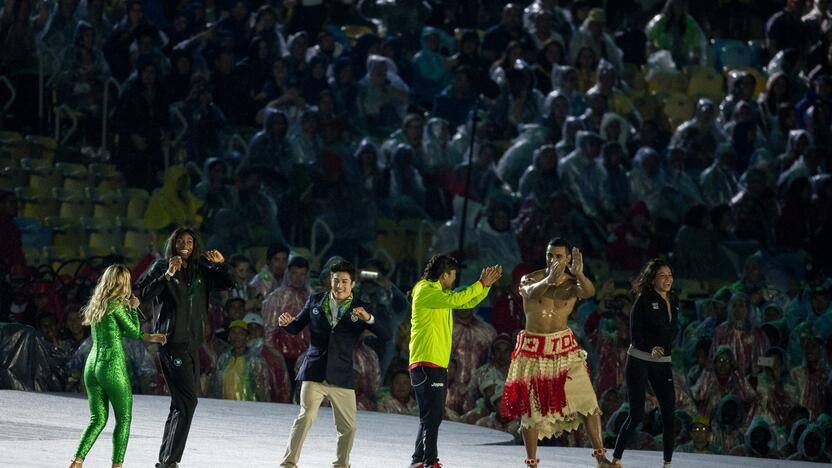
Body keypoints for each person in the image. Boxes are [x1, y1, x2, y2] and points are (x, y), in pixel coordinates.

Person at [501, 238, 615, 468]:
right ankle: (532, 462)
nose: (553, 260)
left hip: (564, 348)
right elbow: (529, 292)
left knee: (588, 402)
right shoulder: (532, 278)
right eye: (550, 255)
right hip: (534, 350)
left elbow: (589, 293)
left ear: (568, 259)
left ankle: (601, 457)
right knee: (531, 411)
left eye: (559, 256)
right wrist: (549, 279)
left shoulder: (573, 284)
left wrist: (580, 274)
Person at [136, 227, 234, 468]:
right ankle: (169, 461)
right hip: (171, 343)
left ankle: (166, 459)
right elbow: (144, 295)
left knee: (180, 402)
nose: (185, 244)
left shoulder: (201, 269)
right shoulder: (161, 266)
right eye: (180, 240)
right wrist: (168, 273)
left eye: (190, 241)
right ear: (173, 243)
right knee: (188, 401)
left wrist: (221, 265)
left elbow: (227, 283)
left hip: (193, 343)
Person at [278, 260, 390, 468]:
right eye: (336, 280)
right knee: (305, 418)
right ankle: (288, 464)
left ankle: (341, 465)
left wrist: (369, 318)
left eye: (345, 281)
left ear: (353, 284)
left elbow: (385, 335)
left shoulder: (361, 307)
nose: (340, 285)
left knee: (348, 428)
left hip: (342, 375)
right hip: (314, 371)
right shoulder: (315, 300)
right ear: (331, 281)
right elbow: (296, 327)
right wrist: (287, 324)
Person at [408, 255, 502, 468]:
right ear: (443, 276)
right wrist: (480, 284)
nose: (454, 281)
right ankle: (430, 461)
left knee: (432, 415)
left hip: (436, 363)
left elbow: (466, 300)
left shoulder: (441, 293)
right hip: (425, 362)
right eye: (453, 276)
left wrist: (485, 287)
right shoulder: (425, 290)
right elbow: (457, 300)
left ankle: (417, 460)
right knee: (432, 414)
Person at [70, 264, 167, 468]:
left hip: (92, 366)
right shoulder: (116, 304)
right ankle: (117, 466)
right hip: (111, 366)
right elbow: (132, 331)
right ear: (123, 282)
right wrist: (132, 309)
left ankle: (77, 461)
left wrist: (148, 335)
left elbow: (116, 331)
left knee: (97, 419)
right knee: (123, 419)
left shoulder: (99, 303)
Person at [612, 259, 679, 468]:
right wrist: (651, 348)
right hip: (640, 359)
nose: (667, 279)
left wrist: (664, 348)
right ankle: (615, 459)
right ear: (652, 279)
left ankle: (667, 463)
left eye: (670, 275)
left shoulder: (673, 299)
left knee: (669, 413)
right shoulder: (643, 300)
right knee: (636, 414)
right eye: (662, 275)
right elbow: (636, 333)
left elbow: (673, 330)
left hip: (663, 361)